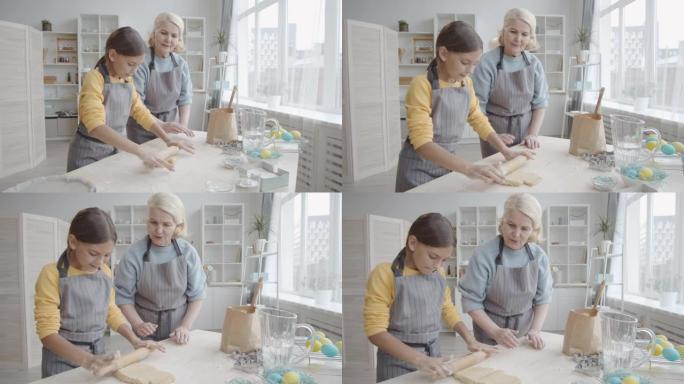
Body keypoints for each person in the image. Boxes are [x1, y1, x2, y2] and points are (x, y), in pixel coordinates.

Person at [396, 21, 534, 192]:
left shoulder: (465, 83)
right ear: (444, 53)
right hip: (417, 169)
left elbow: (477, 118)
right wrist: (469, 168)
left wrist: (505, 150)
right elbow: (423, 144)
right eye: (465, 62)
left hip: (447, 165)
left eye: (475, 64)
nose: (471, 70)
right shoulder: (422, 85)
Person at [364, 213, 496, 382]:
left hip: (434, 357)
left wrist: (470, 339)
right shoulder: (385, 274)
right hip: (397, 362)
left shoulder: (438, 273)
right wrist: (420, 360)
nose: (438, 265)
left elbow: (447, 308)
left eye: (444, 260)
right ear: (413, 243)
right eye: (433, 257)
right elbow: (375, 332)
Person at [35, 208, 164, 378]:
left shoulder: (104, 272)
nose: (100, 262)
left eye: (107, 255)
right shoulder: (52, 274)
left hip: (99, 354)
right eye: (93, 254)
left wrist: (135, 340)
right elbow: (47, 335)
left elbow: (110, 311)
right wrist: (87, 360)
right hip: (62, 358)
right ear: (73, 242)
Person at [67, 26, 195, 172]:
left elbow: (141, 112)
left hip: (113, 150)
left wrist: (168, 139)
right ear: (113, 55)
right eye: (130, 64)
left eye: (138, 65)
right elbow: (96, 127)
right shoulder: (95, 78)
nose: (134, 71)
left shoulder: (126, 80)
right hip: (87, 154)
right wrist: (140, 151)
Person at [458, 193, 553, 350]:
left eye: (524, 228)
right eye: (511, 225)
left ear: (533, 230)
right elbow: (471, 302)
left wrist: (535, 330)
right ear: (502, 222)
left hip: (524, 335)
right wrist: (496, 332)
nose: (516, 234)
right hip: (489, 334)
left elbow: (543, 298)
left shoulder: (539, 257)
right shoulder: (484, 255)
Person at [115, 192, 206, 344]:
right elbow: (124, 297)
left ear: (178, 226)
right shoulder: (133, 254)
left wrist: (185, 327)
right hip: (145, 333)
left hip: (178, 333)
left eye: (166, 224)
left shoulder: (188, 253)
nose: (158, 230)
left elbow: (197, 296)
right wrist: (137, 324)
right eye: (153, 222)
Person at [472, 8, 549, 158]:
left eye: (524, 34)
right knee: (496, 174)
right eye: (513, 31)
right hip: (495, 131)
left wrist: (532, 134)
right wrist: (493, 136)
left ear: (530, 38)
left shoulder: (534, 64)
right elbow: (477, 107)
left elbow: (540, 103)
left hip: (526, 132)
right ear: (503, 32)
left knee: (524, 171)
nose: (518, 38)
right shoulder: (487, 62)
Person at [127, 12, 193, 144]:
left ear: (179, 39)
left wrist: (182, 127)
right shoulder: (142, 61)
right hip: (142, 127)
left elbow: (185, 99)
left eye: (174, 35)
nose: (168, 39)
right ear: (154, 33)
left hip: (170, 127)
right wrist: (161, 125)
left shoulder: (181, 64)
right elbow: (136, 103)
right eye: (164, 33)